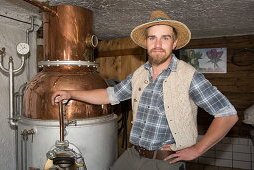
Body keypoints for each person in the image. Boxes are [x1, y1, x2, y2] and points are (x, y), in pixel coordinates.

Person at [51, 10, 238, 170]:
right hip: (133, 154)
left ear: (174, 43)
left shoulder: (189, 76)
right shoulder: (140, 74)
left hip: (165, 161)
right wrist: (71, 93)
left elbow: (227, 114)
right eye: (152, 38)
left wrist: (198, 149)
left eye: (165, 38)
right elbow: (110, 95)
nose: (158, 44)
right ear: (146, 43)